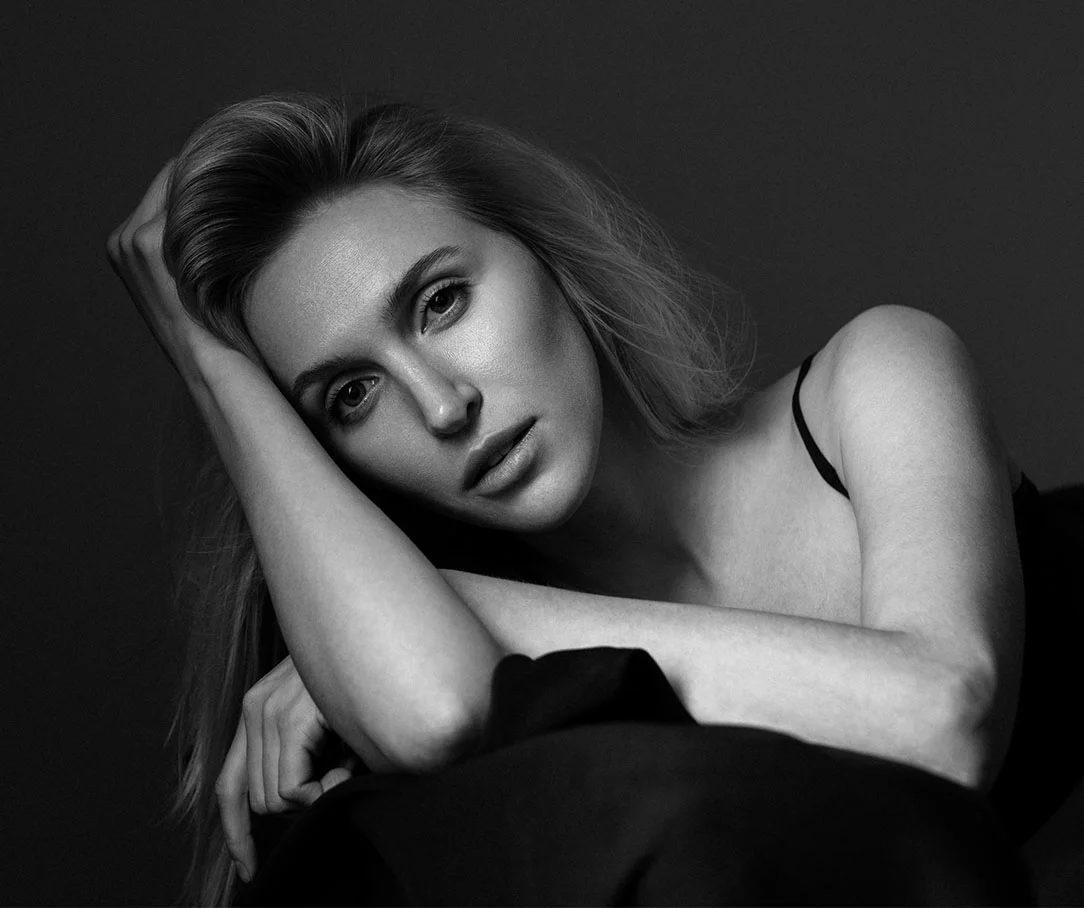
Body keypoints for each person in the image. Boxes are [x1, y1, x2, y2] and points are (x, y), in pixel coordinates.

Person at [107, 93, 1077, 906]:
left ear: (545, 260)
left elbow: (941, 718)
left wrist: (471, 605)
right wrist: (211, 369)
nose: (443, 406)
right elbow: (437, 710)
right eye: (350, 395)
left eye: (441, 301)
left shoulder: (874, 373)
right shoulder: (428, 669)